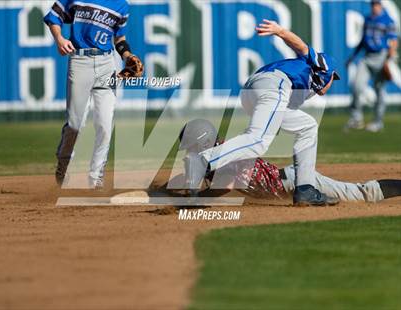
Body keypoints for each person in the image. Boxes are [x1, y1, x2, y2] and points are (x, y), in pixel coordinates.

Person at [184, 20, 341, 207]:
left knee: (307, 126)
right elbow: (302, 47)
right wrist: (280, 31)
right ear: (328, 73)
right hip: (274, 84)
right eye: (333, 78)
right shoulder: (322, 65)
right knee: (258, 141)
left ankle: (305, 189)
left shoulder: (304, 90)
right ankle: (203, 160)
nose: (332, 83)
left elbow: (279, 116)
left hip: (255, 90)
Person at [168, 119, 401, 205]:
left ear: (203, 143)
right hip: (286, 182)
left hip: (294, 182)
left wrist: (191, 203)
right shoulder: (216, 154)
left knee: (362, 193)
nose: (188, 152)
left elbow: (225, 187)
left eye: (190, 146)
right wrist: (167, 189)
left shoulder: (226, 156)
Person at [43, 0, 144, 189]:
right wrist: (59, 39)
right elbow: (53, 17)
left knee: (105, 125)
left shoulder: (121, 5)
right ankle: (64, 163)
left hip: (108, 64)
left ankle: (96, 177)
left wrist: (127, 56)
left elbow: (119, 40)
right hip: (80, 61)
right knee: (75, 125)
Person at [345, 0, 399, 132]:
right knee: (356, 86)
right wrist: (352, 57)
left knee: (379, 90)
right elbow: (363, 40)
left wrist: (389, 59)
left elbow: (393, 40)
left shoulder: (388, 20)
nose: (374, 6)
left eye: (376, 4)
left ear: (380, 6)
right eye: (373, 4)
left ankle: (378, 122)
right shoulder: (367, 19)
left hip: (381, 57)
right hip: (367, 57)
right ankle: (356, 118)